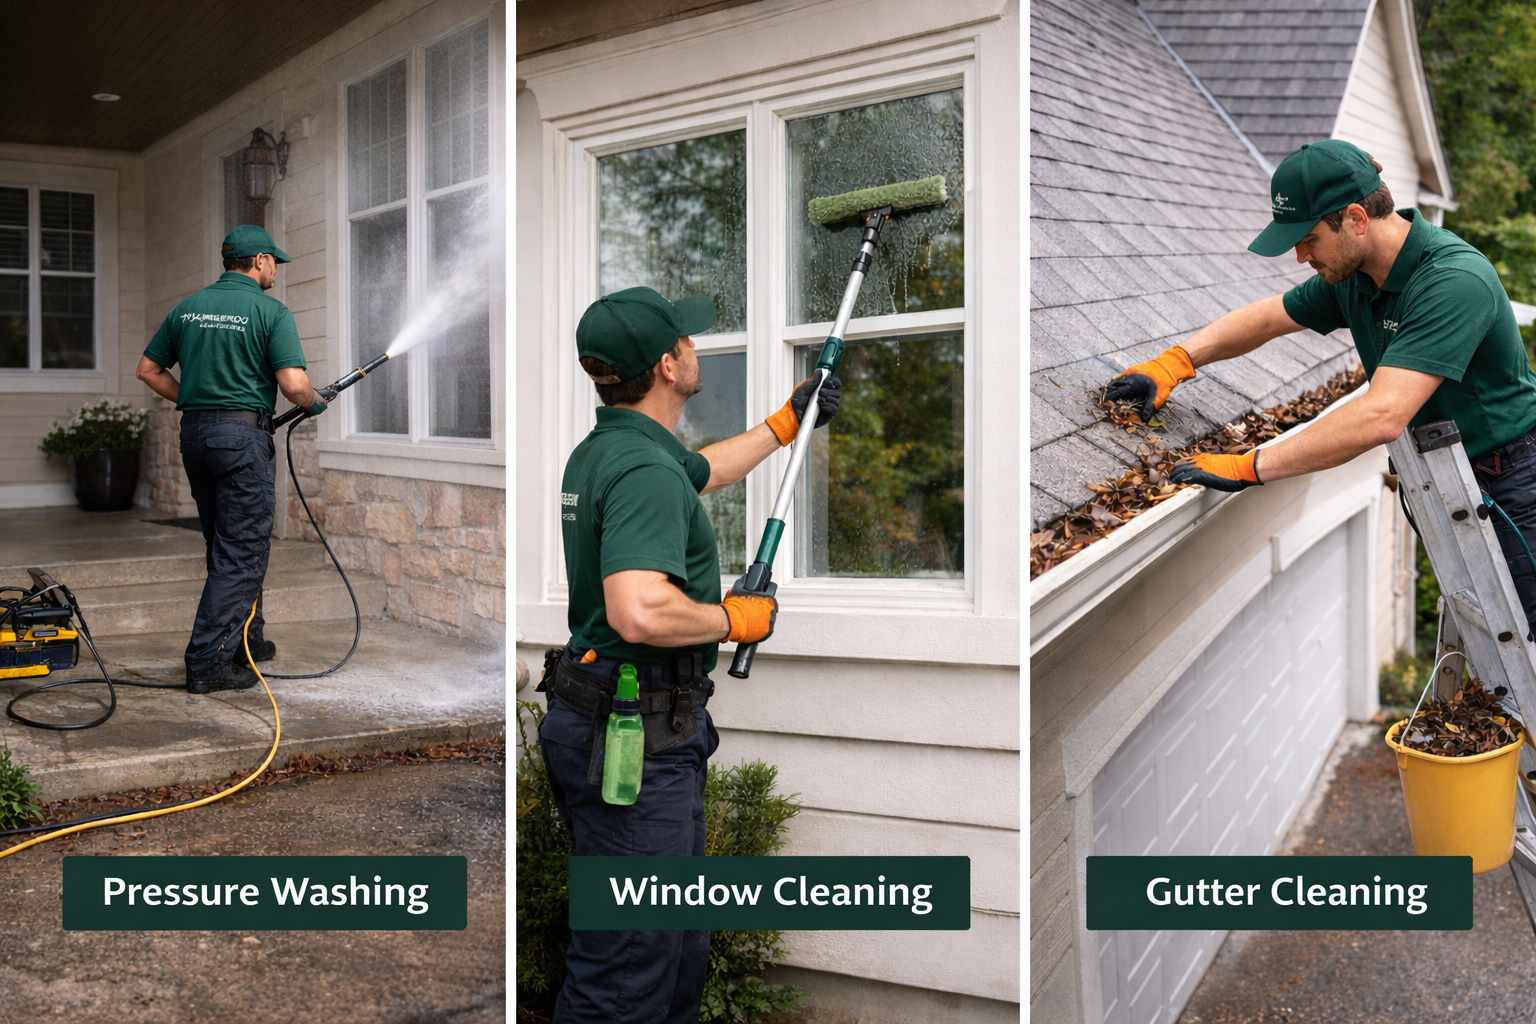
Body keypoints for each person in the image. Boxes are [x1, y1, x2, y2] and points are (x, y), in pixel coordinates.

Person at [537, 285, 841, 1023]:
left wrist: (784, 423)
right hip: (632, 738)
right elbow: (638, 610)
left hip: (630, 723)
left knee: (671, 950)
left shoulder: (616, 451)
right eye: (689, 342)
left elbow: (706, 471)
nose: (696, 349)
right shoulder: (642, 470)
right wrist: (734, 618)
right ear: (669, 365)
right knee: (627, 967)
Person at [1103, 138, 1536, 628]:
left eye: (1308, 239)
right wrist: (1174, 363)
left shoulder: (1453, 280)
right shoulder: (1357, 274)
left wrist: (1250, 466)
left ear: (1355, 218)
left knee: (1525, 632)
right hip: (1446, 478)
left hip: (1512, 479)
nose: (1301, 256)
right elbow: (1268, 317)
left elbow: (1381, 415)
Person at [135, 225, 330, 694]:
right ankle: (207, 664)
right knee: (241, 552)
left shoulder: (187, 308)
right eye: (274, 264)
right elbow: (294, 385)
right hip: (242, 442)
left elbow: (147, 370)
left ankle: (246, 642)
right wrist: (316, 403)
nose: (275, 272)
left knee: (226, 545)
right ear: (259, 261)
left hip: (198, 438)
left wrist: (197, 400)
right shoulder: (269, 311)